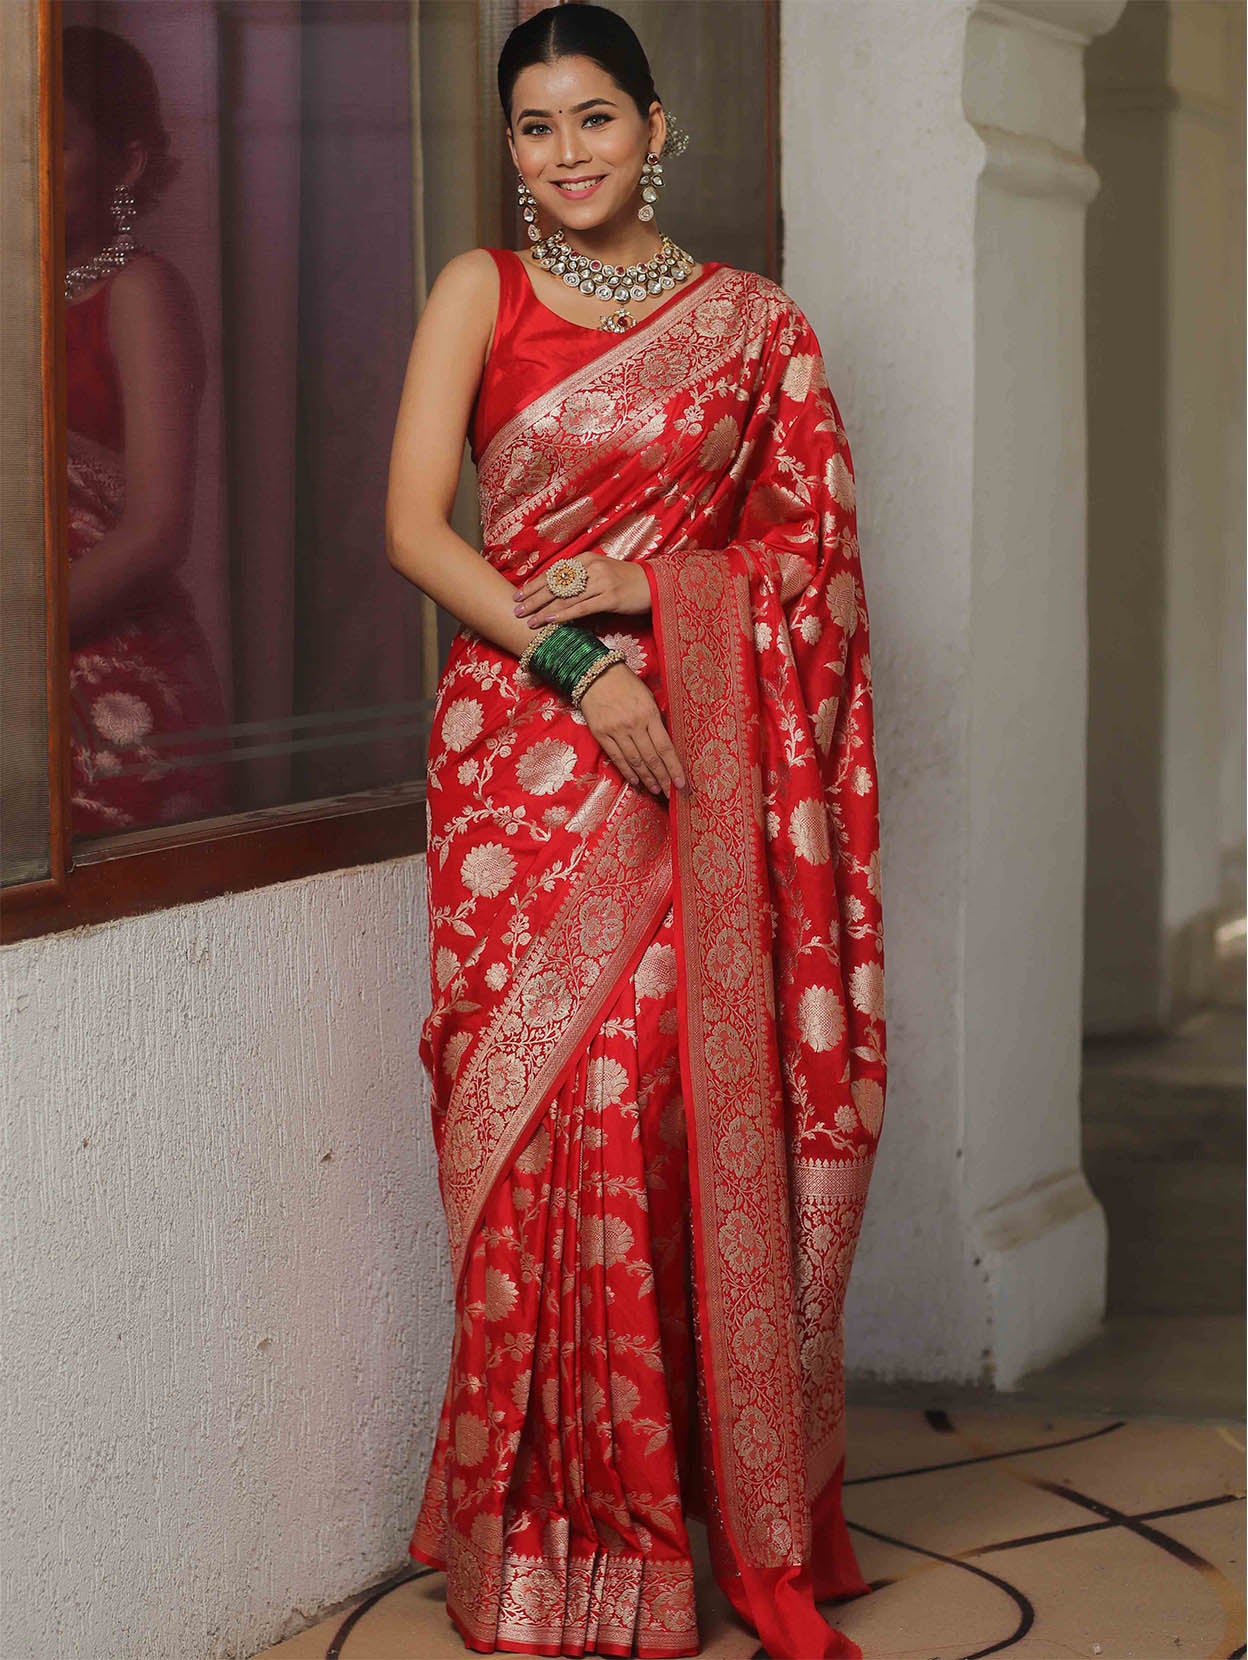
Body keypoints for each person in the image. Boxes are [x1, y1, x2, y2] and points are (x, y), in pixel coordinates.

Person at [385, 7, 886, 1656]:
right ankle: (535, 1538)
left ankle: (667, 1516)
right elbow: (412, 525)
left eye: (594, 119)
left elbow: (809, 568)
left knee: (653, 1099)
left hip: (692, 764)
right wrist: (573, 658)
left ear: (656, 128)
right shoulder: (481, 289)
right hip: (518, 761)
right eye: (533, 128)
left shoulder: (754, 329)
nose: (565, 155)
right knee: (529, 1116)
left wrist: (660, 599)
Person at [62, 25, 229, 838]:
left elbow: (158, 530)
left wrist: (18, 644)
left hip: (111, 690)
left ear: (125, 164)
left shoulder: (138, 291)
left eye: (47, 141)